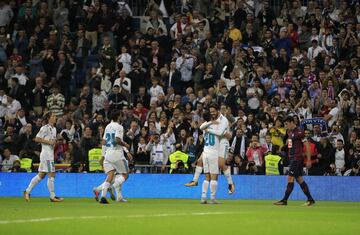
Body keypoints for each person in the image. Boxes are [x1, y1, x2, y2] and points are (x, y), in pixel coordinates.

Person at [185, 105, 235, 194]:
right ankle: (195, 181)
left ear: (218, 111)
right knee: (200, 161)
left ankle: (231, 183)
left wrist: (209, 130)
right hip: (214, 144)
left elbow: (220, 133)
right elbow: (202, 127)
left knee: (221, 164)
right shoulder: (212, 120)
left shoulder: (223, 120)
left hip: (223, 142)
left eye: (213, 111)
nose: (212, 113)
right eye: (211, 111)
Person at [274, 116, 315, 206]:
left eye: (286, 124)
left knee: (290, 177)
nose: (286, 126)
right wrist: (284, 149)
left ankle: (284, 200)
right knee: (299, 178)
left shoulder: (299, 132)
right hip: (292, 158)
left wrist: (308, 160)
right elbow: (289, 146)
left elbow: (307, 145)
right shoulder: (290, 133)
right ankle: (310, 199)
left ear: (292, 122)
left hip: (297, 158)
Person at [23, 112, 63, 202]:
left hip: (49, 154)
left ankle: (27, 191)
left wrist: (56, 141)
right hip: (46, 155)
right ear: (48, 118)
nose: (55, 117)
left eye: (55, 116)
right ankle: (53, 196)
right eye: (53, 116)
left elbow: (52, 142)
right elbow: (37, 138)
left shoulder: (54, 129)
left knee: (41, 175)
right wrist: (49, 142)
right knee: (52, 174)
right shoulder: (44, 128)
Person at [98, 110, 131, 204]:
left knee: (110, 175)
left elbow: (104, 141)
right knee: (125, 175)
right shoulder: (119, 127)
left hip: (108, 154)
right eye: (121, 115)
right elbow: (117, 140)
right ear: (118, 116)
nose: (123, 117)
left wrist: (103, 155)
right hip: (117, 154)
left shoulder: (108, 126)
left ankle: (103, 197)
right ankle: (111, 187)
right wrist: (125, 144)